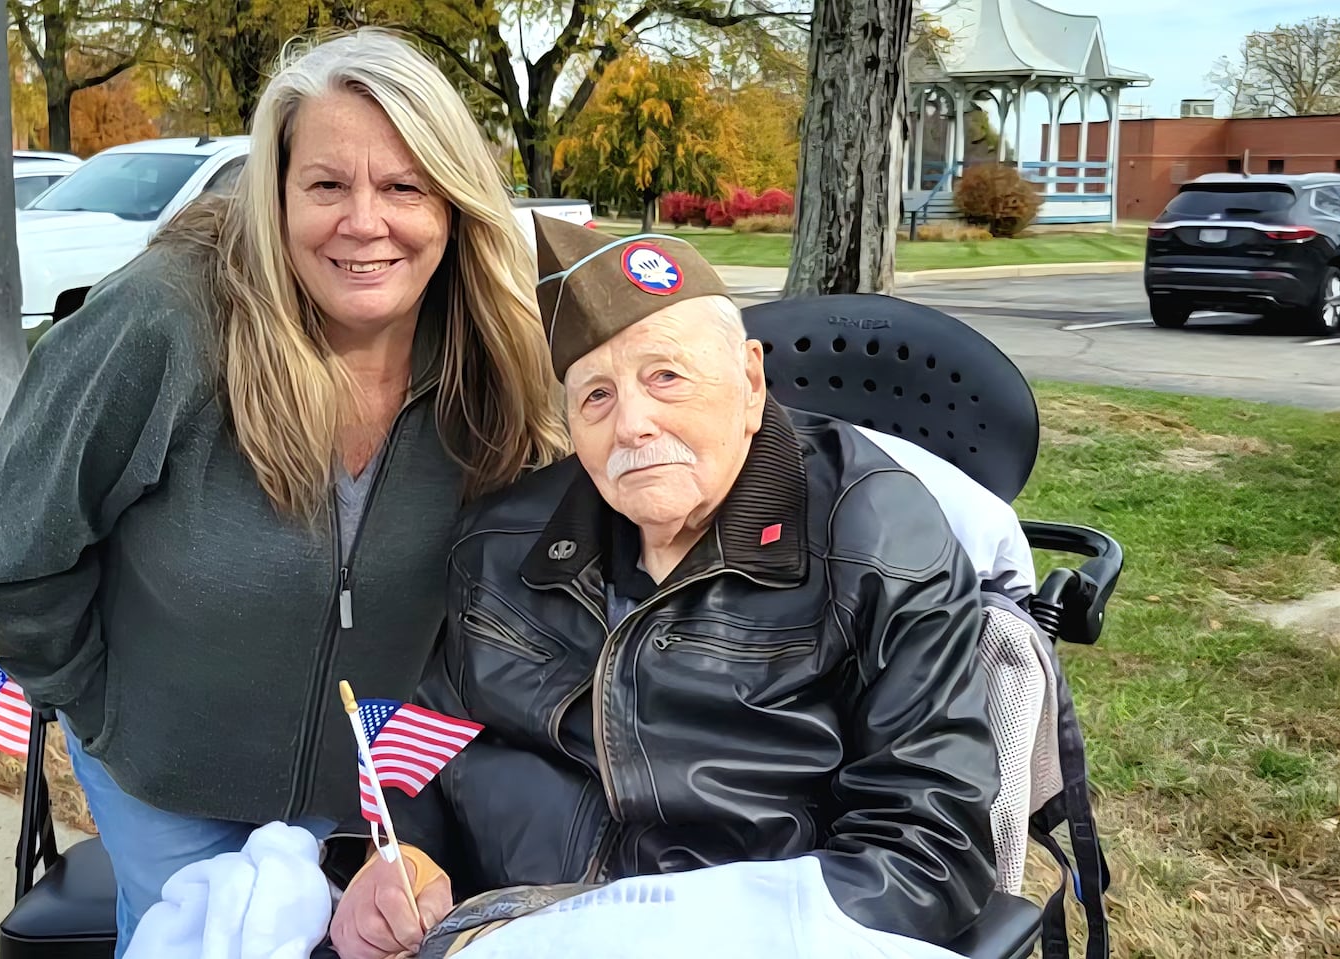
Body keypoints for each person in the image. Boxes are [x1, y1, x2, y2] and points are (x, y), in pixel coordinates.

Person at [0, 27, 568, 955]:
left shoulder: (492, 352)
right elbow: (20, 546)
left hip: (379, 796)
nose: (364, 222)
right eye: (327, 185)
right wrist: (101, 704)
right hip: (172, 784)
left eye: (404, 187)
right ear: (277, 193)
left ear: (453, 203)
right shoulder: (167, 320)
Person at [322, 218, 1002, 959]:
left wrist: (667, 934)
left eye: (666, 377)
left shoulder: (876, 541)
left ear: (749, 381)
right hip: (496, 928)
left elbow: (927, 849)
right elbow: (423, 744)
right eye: (596, 396)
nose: (633, 426)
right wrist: (398, 859)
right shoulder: (501, 541)